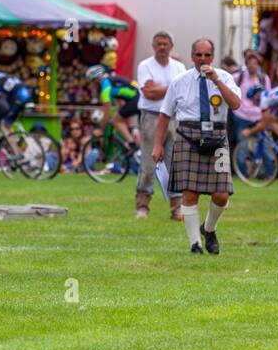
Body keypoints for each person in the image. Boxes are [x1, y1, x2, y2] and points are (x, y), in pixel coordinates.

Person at [152, 38, 241, 254]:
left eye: (207, 55)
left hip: (217, 137)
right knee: (189, 193)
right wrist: (157, 145)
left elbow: (236, 104)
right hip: (187, 135)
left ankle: (209, 229)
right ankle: (195, 244)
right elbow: (165, 114)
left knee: (221, 194)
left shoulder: (226, 77)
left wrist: (217, 81)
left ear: (213, 56)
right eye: (198, 54)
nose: (203, 59)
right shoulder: (179, 81)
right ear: (192, 56)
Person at [134, 31, 186, 220]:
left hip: (173, 118)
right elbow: (148, 93)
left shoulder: (179, 67)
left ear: (171, 46)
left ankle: (176, 209)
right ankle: (142, 207)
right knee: (149, 162)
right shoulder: (145, 66)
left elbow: (182, 94)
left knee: (175, 162)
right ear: (153, 46)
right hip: (151, 117)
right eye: (159, 44)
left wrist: (161, 89)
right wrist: (172, 88)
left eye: (165, 44)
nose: (162, 47)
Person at [84, 64, 140, 148]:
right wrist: (113, 116)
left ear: (96, 79)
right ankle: (138, 147)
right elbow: (119, 105)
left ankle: (131, 144)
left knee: (116, 121)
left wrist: (101, 127)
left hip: (135, 100)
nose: (91, 85)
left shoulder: (105, 85)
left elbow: (107, 109)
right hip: (139, 98)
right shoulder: (111, 81)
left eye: (91, 81)